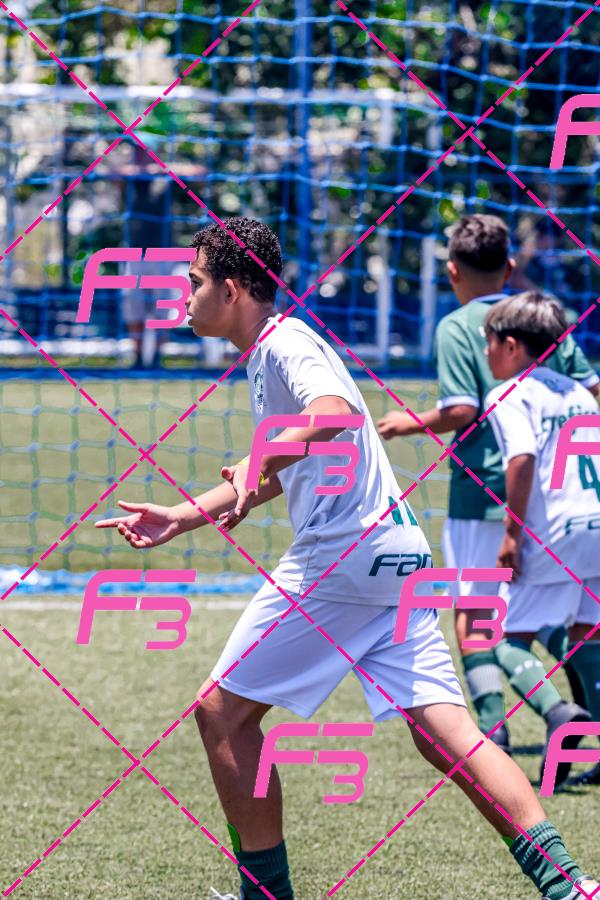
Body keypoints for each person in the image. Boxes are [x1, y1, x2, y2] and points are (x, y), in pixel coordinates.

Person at [96, 217, 598, 900]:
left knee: (222, 714)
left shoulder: (284, 343)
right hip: (397, 554)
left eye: (194, 282)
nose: (185, 298)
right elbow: (297, 459)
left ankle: (265, 894)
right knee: (447, 732)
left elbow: (334, 414)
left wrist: (263, 451)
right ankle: (569, 884)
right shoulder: (275, 349)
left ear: (233, 290)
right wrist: (185, 515)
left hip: (344, 557)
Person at [378, 214, 599, 755]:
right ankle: (579, 723)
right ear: (511, 265)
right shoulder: (545, 317)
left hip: (485, 495)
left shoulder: (459, 326)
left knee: (480, 616)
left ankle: (497, 729)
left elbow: (462, 408)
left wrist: (406, 422)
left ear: (452, 270)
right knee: (575, 621)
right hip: (566, 502)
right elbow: (590, 389)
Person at [484, 292, 600, 787]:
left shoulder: (510, 394)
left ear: (511, 345)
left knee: (506, 640)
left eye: (490, 342)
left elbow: (522, 458)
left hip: (555, 533)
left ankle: (558, 712)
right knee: (588, 637)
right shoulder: (579, 392)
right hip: (595, 523)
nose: (486, 352)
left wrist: (512, 533)